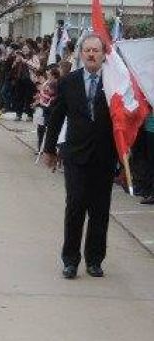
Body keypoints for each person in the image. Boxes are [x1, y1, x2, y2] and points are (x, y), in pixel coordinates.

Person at [42, 35, 118, 279]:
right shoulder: (69, 82)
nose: (91, 54)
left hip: (104, 156)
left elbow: (123, 120)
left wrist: (126, 155)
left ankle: (95, 260)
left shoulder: (115, 82)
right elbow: (56, 116)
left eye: (96, 50)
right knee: (75, 206)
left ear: (104, 54)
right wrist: (50, 149)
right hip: (75, 154)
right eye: (87, 50)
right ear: (81, 54)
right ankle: (70, 260)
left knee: (100, 210)